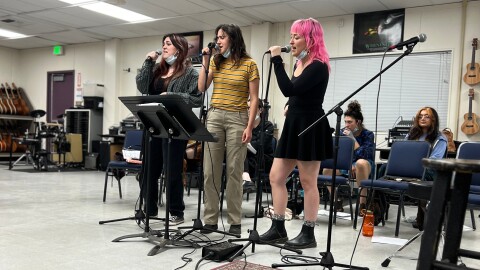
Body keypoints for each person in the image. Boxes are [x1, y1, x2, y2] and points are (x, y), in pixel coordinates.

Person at [259, 18, 333, 249]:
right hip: (294, 123)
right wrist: (291, 104)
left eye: (296, 36)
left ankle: (308, 233)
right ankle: (278, 228)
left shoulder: (319, 65)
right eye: (291, 36)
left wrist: (276, 60)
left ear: (310, 39)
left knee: (308, 181)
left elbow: (290, 88)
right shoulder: (299, 64)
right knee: (276, 177)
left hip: (310, 125)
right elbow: (295, 93)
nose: (291, 41)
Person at [198, 24, 260, 235]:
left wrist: (249, 126)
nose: (218, 41)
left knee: (234, 171)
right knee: (210, 171)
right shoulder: (216, 61)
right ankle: (210, 219)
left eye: (222, 37)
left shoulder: (249, 64)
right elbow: (201, 88)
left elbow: (254, 99)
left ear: (233, 39)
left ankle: (235, 222)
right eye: (217, 37)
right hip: (214, 116)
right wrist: (206, 61)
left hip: (237, 118)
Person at [136, 33, 202, 225]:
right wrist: (148, 61)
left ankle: (176, 211)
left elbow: (196, 98)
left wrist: (170, 95)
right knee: (150, 169)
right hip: (153, 123)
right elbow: (141, 86)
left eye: (168, 44)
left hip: (175, 125)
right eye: (163, 44)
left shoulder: (190, 73)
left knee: (172, 170)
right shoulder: (157, 69)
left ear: (179, 49)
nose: (164, 47)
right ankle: (149, 208)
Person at [323, 100, 375, 213]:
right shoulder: (341, 132)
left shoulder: (368, 134)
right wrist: (349, 164)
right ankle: (337, 200)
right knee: (327, 170)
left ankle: (362, 204)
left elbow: (365, 155)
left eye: (350, 122)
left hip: (365, 165)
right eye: (345, 122)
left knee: (360, 163)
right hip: (348, 164)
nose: (346, 125)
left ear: (358, 122)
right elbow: (337, 153)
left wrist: (352, 139)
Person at [405, 107, 447, 230]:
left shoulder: (440, 138)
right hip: (411, 168)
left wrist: (414, 163)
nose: (422, 118)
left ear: (433, 120)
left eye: (427, 116)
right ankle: (376, 212)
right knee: (383, 168)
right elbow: (403, 153)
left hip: (429, 171)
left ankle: (423, 217)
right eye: (420, 116)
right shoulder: (411, 135)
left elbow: (434, 160)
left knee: (425, 172)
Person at [242, 99, 274, 194]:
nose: (248, 110)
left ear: (260, 110)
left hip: (264, 158)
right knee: (239, 154)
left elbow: (259, 146)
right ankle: (246, 179)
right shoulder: (245, 125)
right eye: (247, 108)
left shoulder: (268, 126)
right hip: (249, 158)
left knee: (241, 154)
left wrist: (246, 144)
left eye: (251, 108)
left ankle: (246, 179)